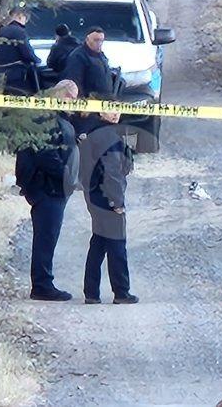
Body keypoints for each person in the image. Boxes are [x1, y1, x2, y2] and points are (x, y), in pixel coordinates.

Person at [15, 81, 80, 301]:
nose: (75, 102)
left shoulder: (55, 117)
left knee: (48, 236)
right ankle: (42, 285)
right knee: (45, 236)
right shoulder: (47, 118)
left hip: (53, 188)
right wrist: (66, 177)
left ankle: (44, 282)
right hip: (47, 188)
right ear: (62, 95)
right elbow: (45, 155)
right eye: (73, 97)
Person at [78, 111, 137, 305]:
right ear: (102, 111)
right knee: (116, 245)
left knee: (98, 243)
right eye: (112, 108)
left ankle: (91, 292)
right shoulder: (109, 137)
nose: (117, 113)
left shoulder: (91, 133)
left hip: (93, 196)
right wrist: (117, 203)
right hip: (107, 198)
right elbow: (112, 173)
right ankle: (121, 292)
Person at [0, 7, 41, 94]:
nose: (25, 22)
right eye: (25, 19)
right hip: (15, 75)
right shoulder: (19, 32)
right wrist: (37, 60)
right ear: (20, 16)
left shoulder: (0, 31)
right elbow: (27, 53)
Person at [62, 26, 114, 99]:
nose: (99, 43)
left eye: (101, 40)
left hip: (105, 101)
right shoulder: (78, 56)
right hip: (89, 101)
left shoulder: (101, 55)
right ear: (87, 39)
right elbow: (74, 82)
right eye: (96, 40)